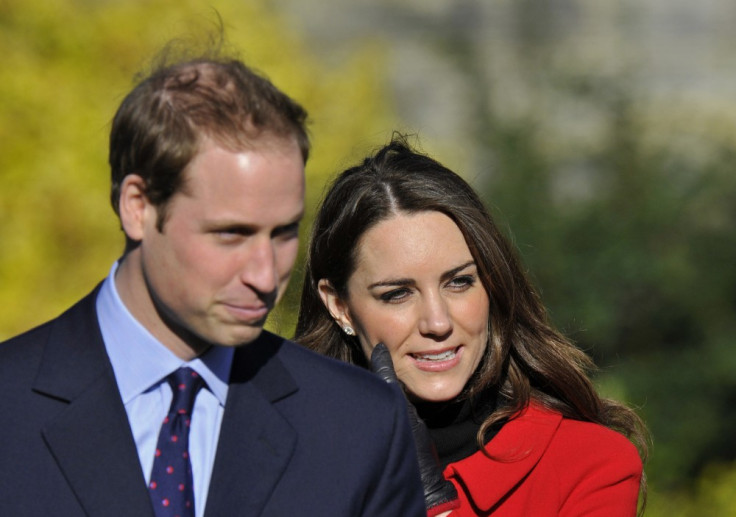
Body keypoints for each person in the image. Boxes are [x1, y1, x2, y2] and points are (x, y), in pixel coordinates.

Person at [0, 53, 428, 517]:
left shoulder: (358, 425)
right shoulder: (10, 407)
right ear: (138, 206)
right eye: (231, 234)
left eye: (284, 233)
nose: (265, 275)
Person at [295, 135, 650, 516]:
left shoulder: (589, 465)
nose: (437, 322)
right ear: (340, 305)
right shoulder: (282, 457)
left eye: (459, 282)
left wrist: (427, 502)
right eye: (398, 293)